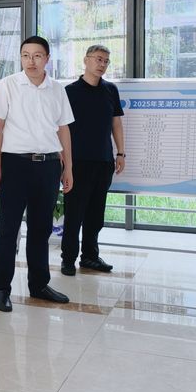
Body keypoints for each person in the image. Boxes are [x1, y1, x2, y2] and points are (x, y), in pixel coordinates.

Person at [0, 36, 74, 313]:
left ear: (47, 58)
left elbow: (63, 129)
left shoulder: (56, 89)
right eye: (25, 55)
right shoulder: (8, 85)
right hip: (15, 164)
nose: (31, 61)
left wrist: (68, 168)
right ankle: (2, 289)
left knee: (41, 228)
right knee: (8, 228)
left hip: (48, 165)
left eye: (37, 55)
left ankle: (39, 285)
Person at [61, 44, 125, 274]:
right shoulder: (69, 92)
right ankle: (68, 259)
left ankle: (90, 257)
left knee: (96, 215)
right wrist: (65, 164)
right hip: (77, 162)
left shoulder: (110, 90)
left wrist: (120, 153)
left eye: (106, 61)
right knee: (74, 214)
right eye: (98, 59)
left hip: (103, 161)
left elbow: (116, 123)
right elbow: (61, 128)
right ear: (86, 60)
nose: (102, 64)